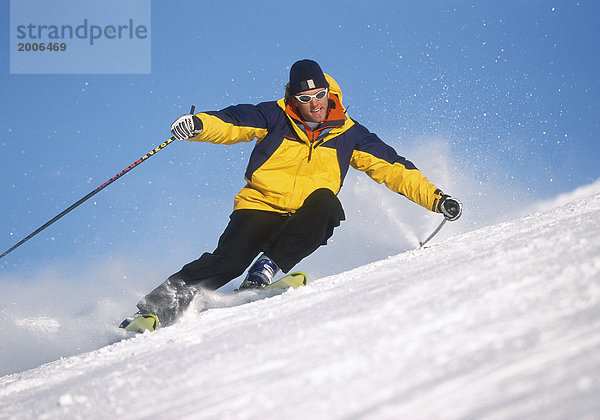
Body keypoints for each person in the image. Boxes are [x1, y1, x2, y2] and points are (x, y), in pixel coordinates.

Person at [124, 59, 462, 328]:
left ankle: (264, 271)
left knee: (327, 204)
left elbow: (395, 169)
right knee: (230, 260)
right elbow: (232, 122)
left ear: (329, 93)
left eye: (319, 96)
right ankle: (155, 310)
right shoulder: (274, 117)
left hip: (303, 216)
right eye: (304, 99)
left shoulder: (350, 134)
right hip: (259, 206)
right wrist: (198, 125)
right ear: (293, 98)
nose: (314, 104)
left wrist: (437, 199)